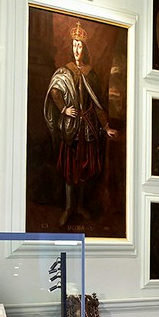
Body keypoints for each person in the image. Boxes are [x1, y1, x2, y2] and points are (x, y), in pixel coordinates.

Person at [44, 23, 115, 226]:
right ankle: (68, 208)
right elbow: (54, 91)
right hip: (71, 129)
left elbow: (97, 103)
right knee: (70, 170)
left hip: (87, 129)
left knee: (83, 170)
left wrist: (106, 127)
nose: (77, 49)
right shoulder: (64, 71)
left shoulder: (90, 73)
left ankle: (80, 206)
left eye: (80, 45)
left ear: (85, 48)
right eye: (74, 45)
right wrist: (64, 109)